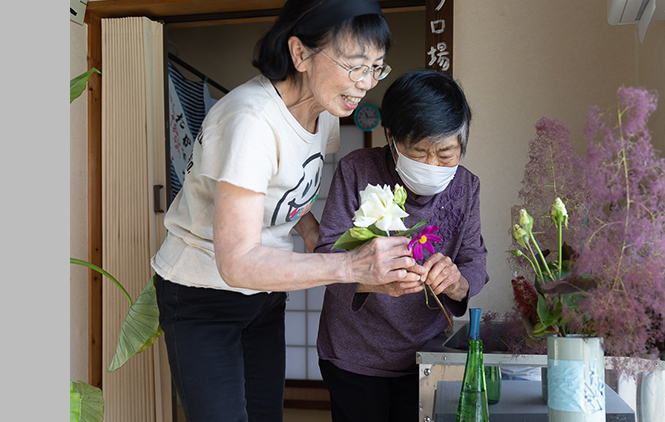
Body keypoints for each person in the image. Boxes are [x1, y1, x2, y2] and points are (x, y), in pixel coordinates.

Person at [150, 1, 425, 421]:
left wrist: (319, 239)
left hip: (264, 294)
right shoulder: (250, 122)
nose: (366, 83)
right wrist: (349, 265)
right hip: (203, 295)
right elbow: (237, 262)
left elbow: (289, 194)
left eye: (376, 67)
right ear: (300, 54)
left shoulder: (325, 111)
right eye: (355, 66)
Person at [314, 68, 490, 422]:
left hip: (426, 353)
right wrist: (373, 277)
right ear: (391, 138)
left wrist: (458, 282)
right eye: (419, 152)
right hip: (354, 353)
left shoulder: (466, 187)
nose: (432, 164)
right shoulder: (357, 170)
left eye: (445, 153)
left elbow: (475, 260)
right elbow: (325, 257)